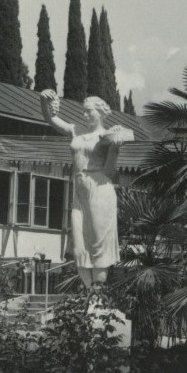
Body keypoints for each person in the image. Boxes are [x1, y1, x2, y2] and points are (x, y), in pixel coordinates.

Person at [40, 90, 132, 292]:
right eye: (83, 111)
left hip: (99, 188)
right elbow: (51, 118)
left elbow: (109, 171)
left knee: (99, 249)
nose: (85, 115)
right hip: (79, 191)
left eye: (89, 112)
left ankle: (97, 297)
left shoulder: (107, 137)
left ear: (100, 113)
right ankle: (91, 294)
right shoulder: (76, 130)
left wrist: (115, 149)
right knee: (79, 248)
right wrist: (43, 100)